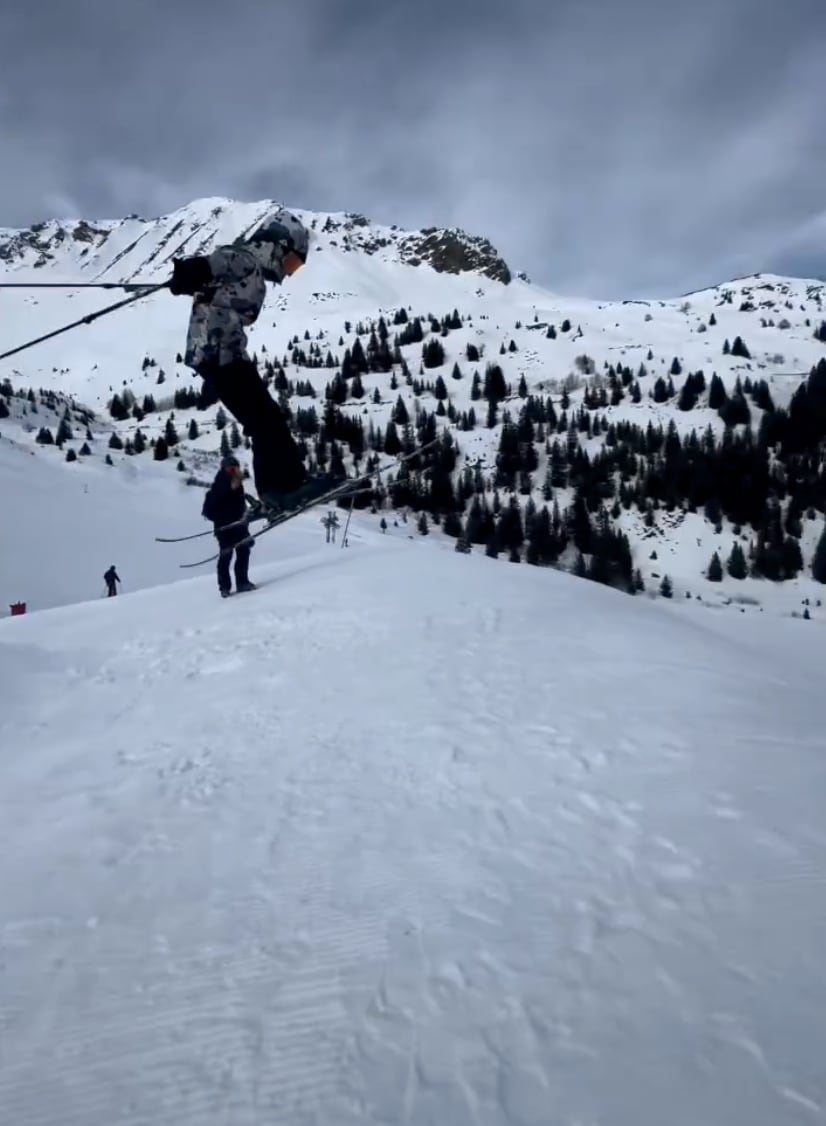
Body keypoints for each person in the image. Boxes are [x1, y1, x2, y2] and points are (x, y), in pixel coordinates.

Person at [168, 208, 343, 521]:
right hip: (221, 355)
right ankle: (286, 487)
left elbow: (211, 283)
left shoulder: (252, 272)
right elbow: (217, 263)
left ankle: (276, 489)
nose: (289, 272)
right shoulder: (244, 259)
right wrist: (192, 271)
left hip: (220, 355)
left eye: (296, 267)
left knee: (263, 421)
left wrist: (193, 278)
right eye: (292, 262)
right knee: (267, 420)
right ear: (278, 245)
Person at [202, 455, 257, 598]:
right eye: (231, 468)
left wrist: (245, 520)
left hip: (239, 526)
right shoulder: (219, 486)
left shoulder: (238, 486)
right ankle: (225, 587)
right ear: (225, 469)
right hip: (225, 528)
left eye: (236, 468)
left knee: (243, 552)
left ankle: (242, 582)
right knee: (226, 555)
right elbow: (212, 509)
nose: (234, 471)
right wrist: (225, 519)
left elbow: (240, 506)